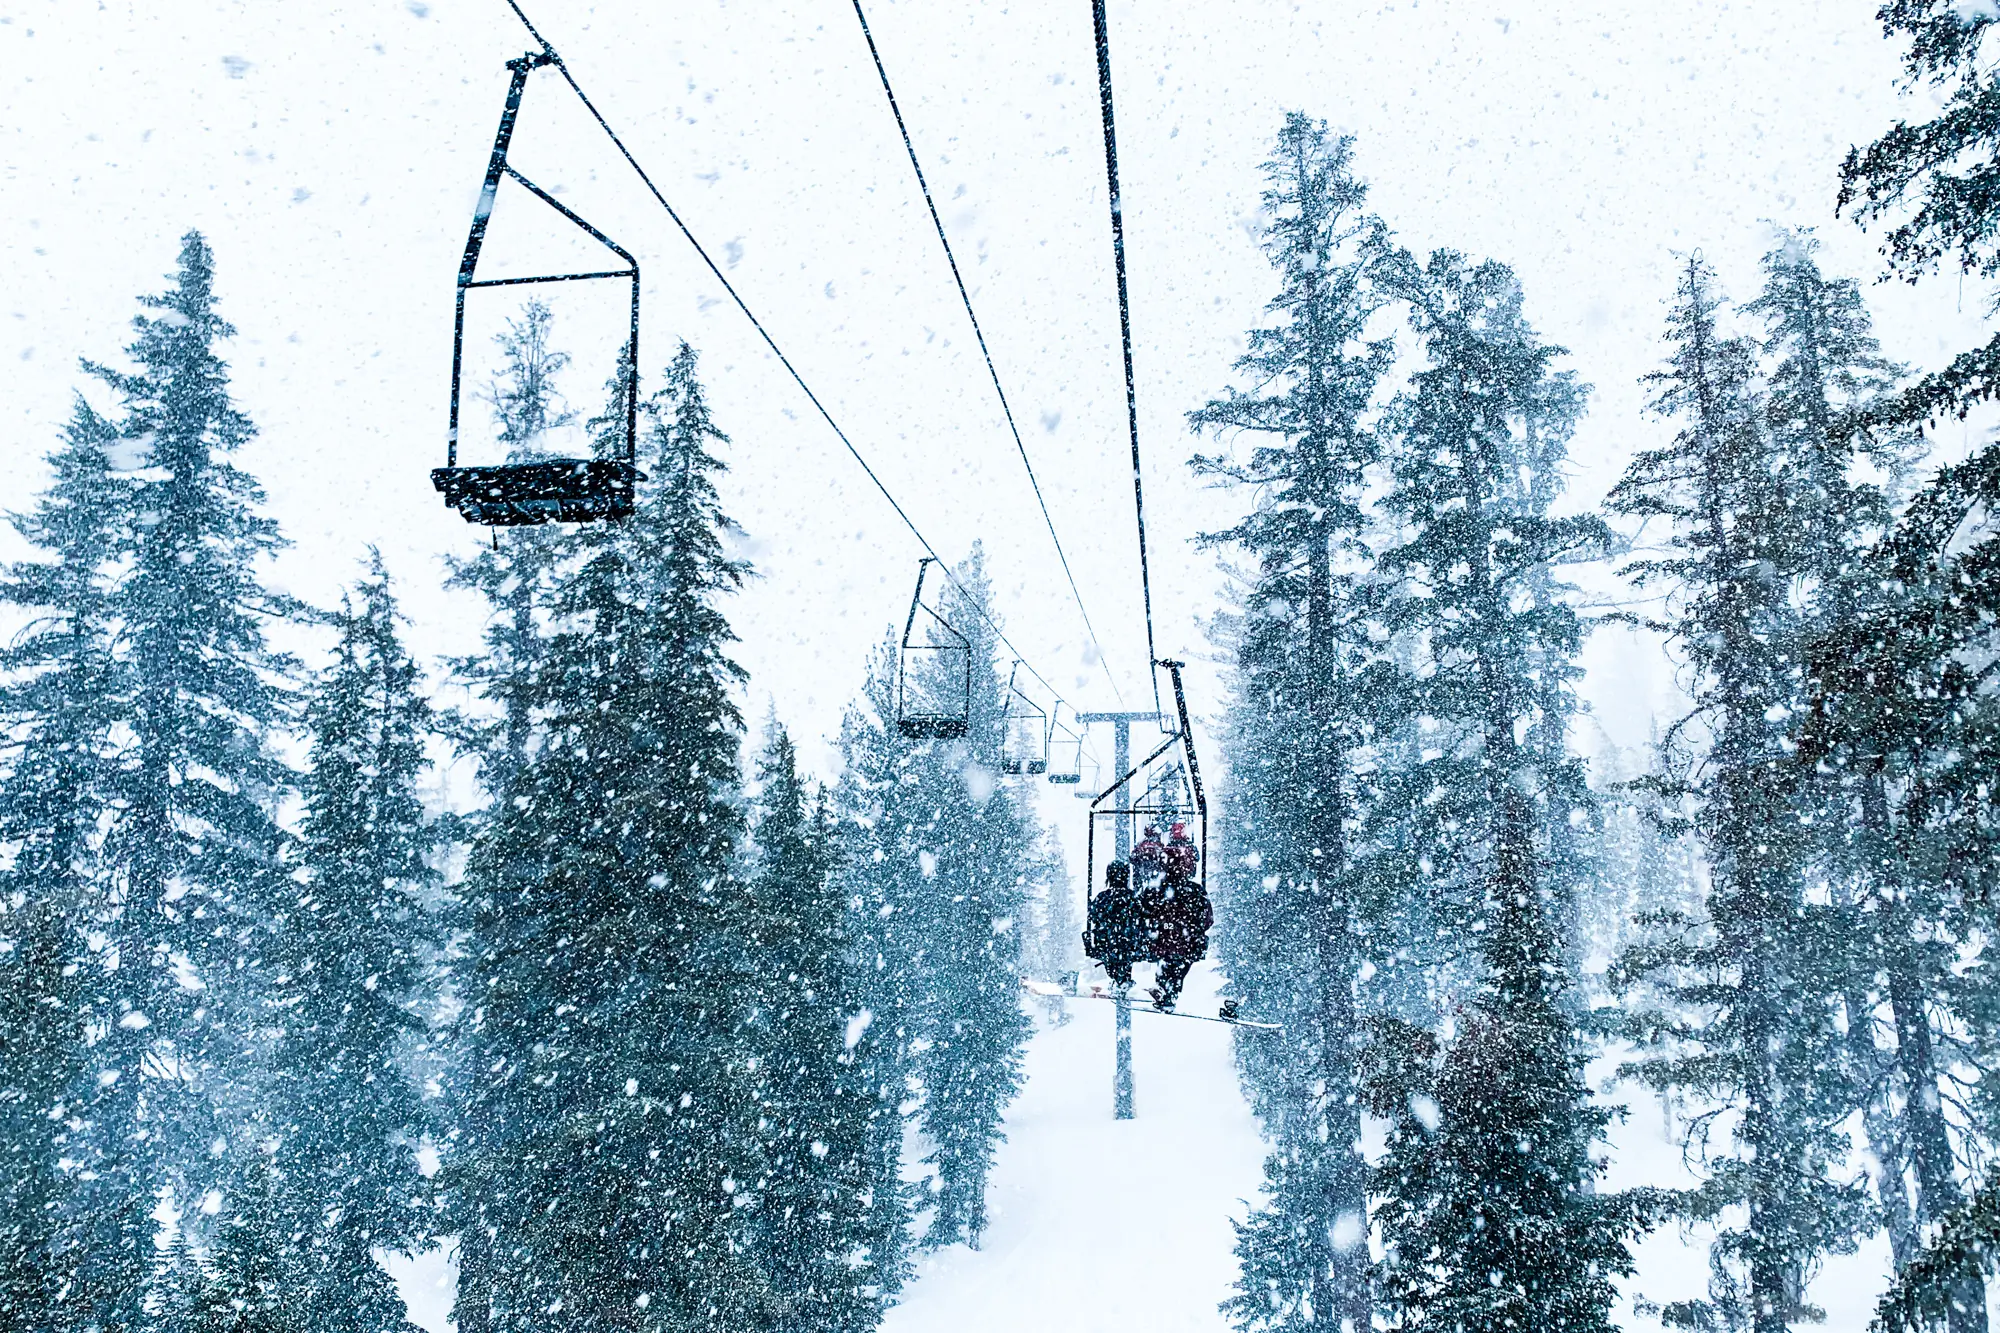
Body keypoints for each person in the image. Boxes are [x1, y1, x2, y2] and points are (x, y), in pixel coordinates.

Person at [1141, 875, 1212, 1011]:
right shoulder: (1195, 891)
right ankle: (1170, 992)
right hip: (1186, 943)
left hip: (1162, 942)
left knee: (1165, 964)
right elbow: (1207, 920)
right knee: (1179, 969)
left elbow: (1144, 915)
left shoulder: (1154, 890)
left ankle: (1165, 990)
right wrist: (1189, 928)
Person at [1084, 860, 1140, 988]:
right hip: (1127, 943)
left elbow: (1093, 917)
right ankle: (1122, 980)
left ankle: (1118, 980)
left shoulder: (1103, 897)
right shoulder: (1133, 897)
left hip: (1106, 942)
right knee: (1123, 958)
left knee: (1112, 958)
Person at [1164, 821, 1199, 886]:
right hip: (1183, 874)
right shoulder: (1189, 845)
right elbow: (1196, 858)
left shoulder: (1170, 846)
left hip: (1174, 875)